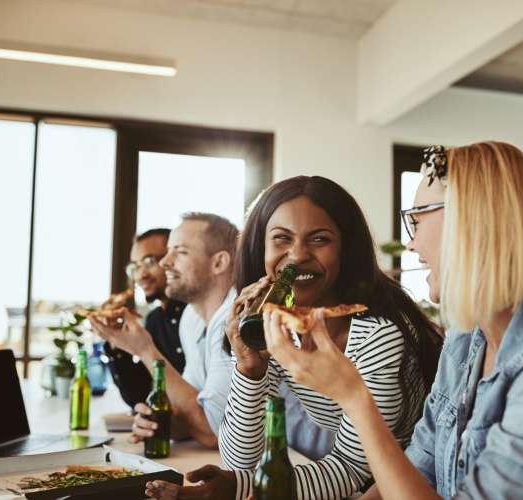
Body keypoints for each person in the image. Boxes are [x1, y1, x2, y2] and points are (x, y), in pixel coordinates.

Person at [263, 142, 523, 499]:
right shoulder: (467, 337)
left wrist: (354, 397)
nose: (410, 244)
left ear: (470, 224)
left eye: (417, 220)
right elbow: (420, 468)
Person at [145, 176, 443, 500]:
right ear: (261, 247)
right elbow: (240, 460)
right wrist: (249, 369)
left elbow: (353, 469)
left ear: (346, 248)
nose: (298, 255)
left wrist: (240, 486)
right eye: (282, 239)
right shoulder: (278, 325)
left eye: (319, 239)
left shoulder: (377, 336)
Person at [90, 213, 238, 448]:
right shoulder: (192, 318)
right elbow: (189, 407)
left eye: (179, 251)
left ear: (219, 263)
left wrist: (145, 349)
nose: (165, 262)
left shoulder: (237, 320)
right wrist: (159, 421)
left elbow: (216, 432)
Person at [105, 228, 186, 408]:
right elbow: (142, 396)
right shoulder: (154, 321)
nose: (140, 275)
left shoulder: (199, 314)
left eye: (149, 261)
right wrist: (116, 340)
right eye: (135, 266)